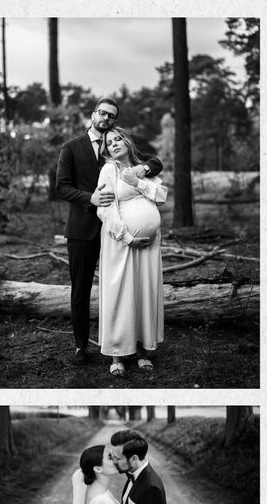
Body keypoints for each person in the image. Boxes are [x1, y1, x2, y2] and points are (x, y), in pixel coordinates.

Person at [54, 98, 163, 365]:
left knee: (123, 288)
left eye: (111, 116)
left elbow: (155, 162)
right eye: (102, 113)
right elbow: (61, 187)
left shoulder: (119, 145)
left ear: (115, 121)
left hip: (118, 232)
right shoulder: (71, 148)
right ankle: (81, 345)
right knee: (81, 289)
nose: (106, 118)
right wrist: (88, 199)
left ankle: (128, 343)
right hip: (83, 228)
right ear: (93, 114)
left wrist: (142, 169)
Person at [92, 127, 168, 376]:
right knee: (120, 293)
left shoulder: (141, 166)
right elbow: (105, 209)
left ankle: (142, 350)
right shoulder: (109, 169)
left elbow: (161, 195)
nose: (114, 144)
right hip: (121, 242)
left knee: (144, 292)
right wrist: (126, 236)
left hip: (149, 243)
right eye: (109, 142)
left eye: (118, 139)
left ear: (127, 140)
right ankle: (117, 355)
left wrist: (138, 183)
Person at [110, 429, 166, 504]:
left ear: (134, 459)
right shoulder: (133, 473)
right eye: (112, 456)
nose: (113, 461)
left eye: (118, 458)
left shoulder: (151, 488)